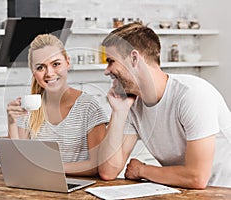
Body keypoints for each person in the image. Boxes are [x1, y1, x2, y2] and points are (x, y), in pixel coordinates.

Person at [98, 22, 231, 189]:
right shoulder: (132, 103)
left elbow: (196, 177)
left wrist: (142, 170)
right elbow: (108, 171)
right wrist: (118, 112)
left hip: (223, 190)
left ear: (134, 58)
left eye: (111, 61)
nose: (107, 70)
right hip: (185, 192)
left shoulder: (192, 94)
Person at [7, 34, 108, 176]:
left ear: (67, 62)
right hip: (39, 189)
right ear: (33, 72)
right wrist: (12, 122)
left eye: (56, 64)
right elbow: (16, 163)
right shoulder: (30, 108)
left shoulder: (88, 106)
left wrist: (50, 168)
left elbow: (97, 165)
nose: (49, 73)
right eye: (40, 67)